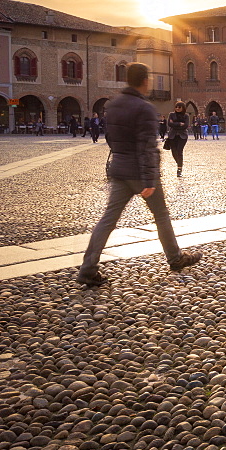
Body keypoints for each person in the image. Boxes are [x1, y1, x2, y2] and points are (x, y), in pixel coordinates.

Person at [76, 63, 202, 288]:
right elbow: (147, 146)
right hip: (141, 174)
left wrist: (120, 158)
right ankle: (175, 258)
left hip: (120, 169)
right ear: (145, 81)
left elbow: (110, 139)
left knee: (107, 220)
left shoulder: (112, 106)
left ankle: (87, 269)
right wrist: (149, 180)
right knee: (161, 215)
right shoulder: (144, 108)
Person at [166, 101, 190, 177]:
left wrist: (174, 124)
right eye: (176, 107)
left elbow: (185, 126)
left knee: (179, 151)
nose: (177, 108)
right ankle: (179, 163)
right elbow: (169, 124)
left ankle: (179, 169)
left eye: (179, 107)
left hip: (182, 136)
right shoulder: (171, 114)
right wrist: (179, 124)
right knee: (174, 152)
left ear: (183, 108)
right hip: (172, 135)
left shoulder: (186, 116)